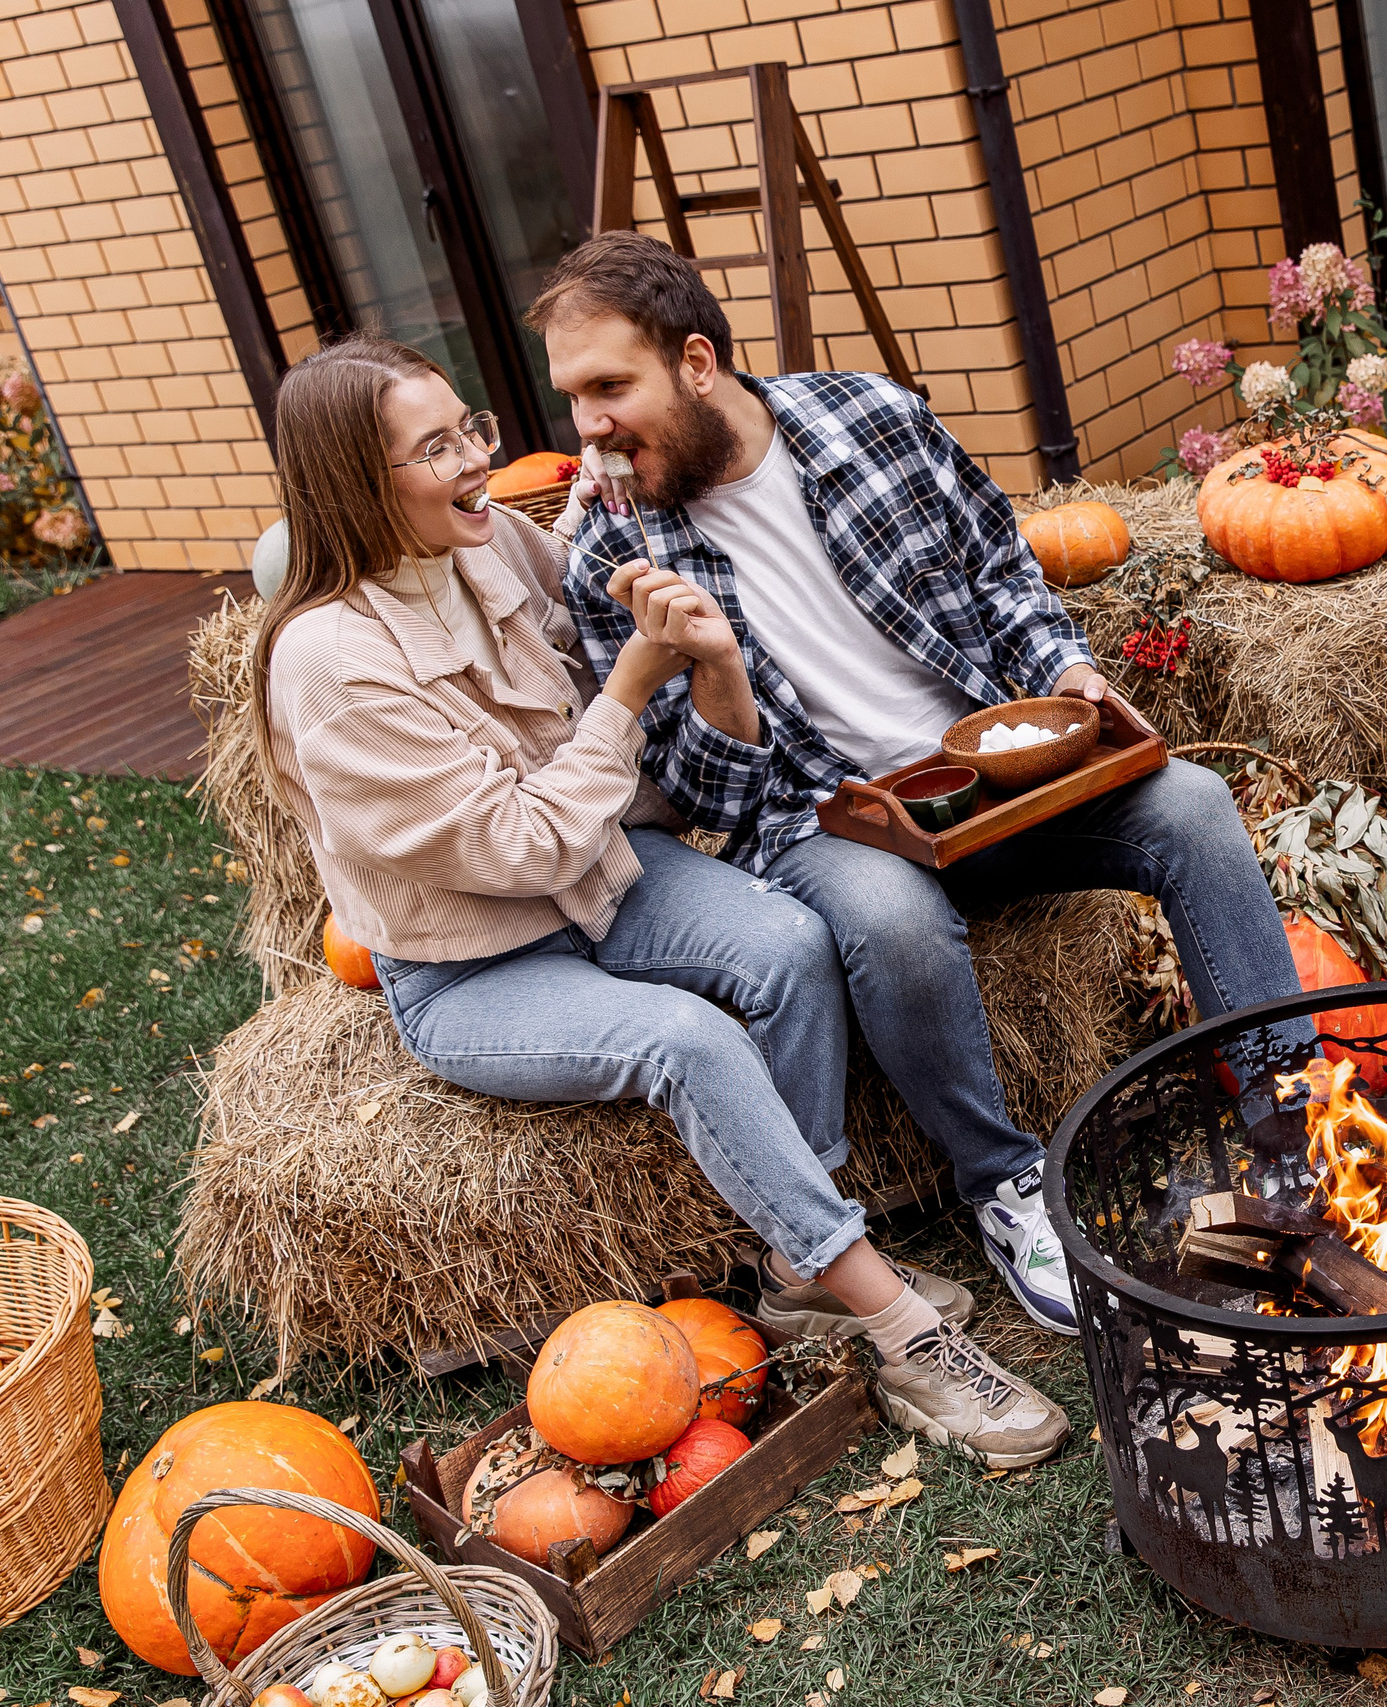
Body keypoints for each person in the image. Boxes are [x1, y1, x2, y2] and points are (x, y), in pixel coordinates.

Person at [251, 332, 1068, 1466]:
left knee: (789, 942)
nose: (477, 460)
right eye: (435, 448)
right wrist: (632, 685)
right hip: (478, 963)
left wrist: (639, 568)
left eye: (470, 427)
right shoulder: (326, 664)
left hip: (605, 877)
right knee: (687, 1041)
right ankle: (900, 1330)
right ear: (355, 481)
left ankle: (798, 1269)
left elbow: (594, 627)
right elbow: (521, 845)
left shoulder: (497, 549)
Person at [531, 233, 1310, 1337]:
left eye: (610, 388)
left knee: (1193, 805)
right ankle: (1006, 1183)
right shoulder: (610, 554)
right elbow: (715, 802)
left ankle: (1287, 1126)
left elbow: (1001, 569)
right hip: (826, 818)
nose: (589, 427)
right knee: (892, 921)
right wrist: (711, 671)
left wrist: (1066, 673)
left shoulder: (872, 418)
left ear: (696, 363)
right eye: (572, 398)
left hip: (991, 770)